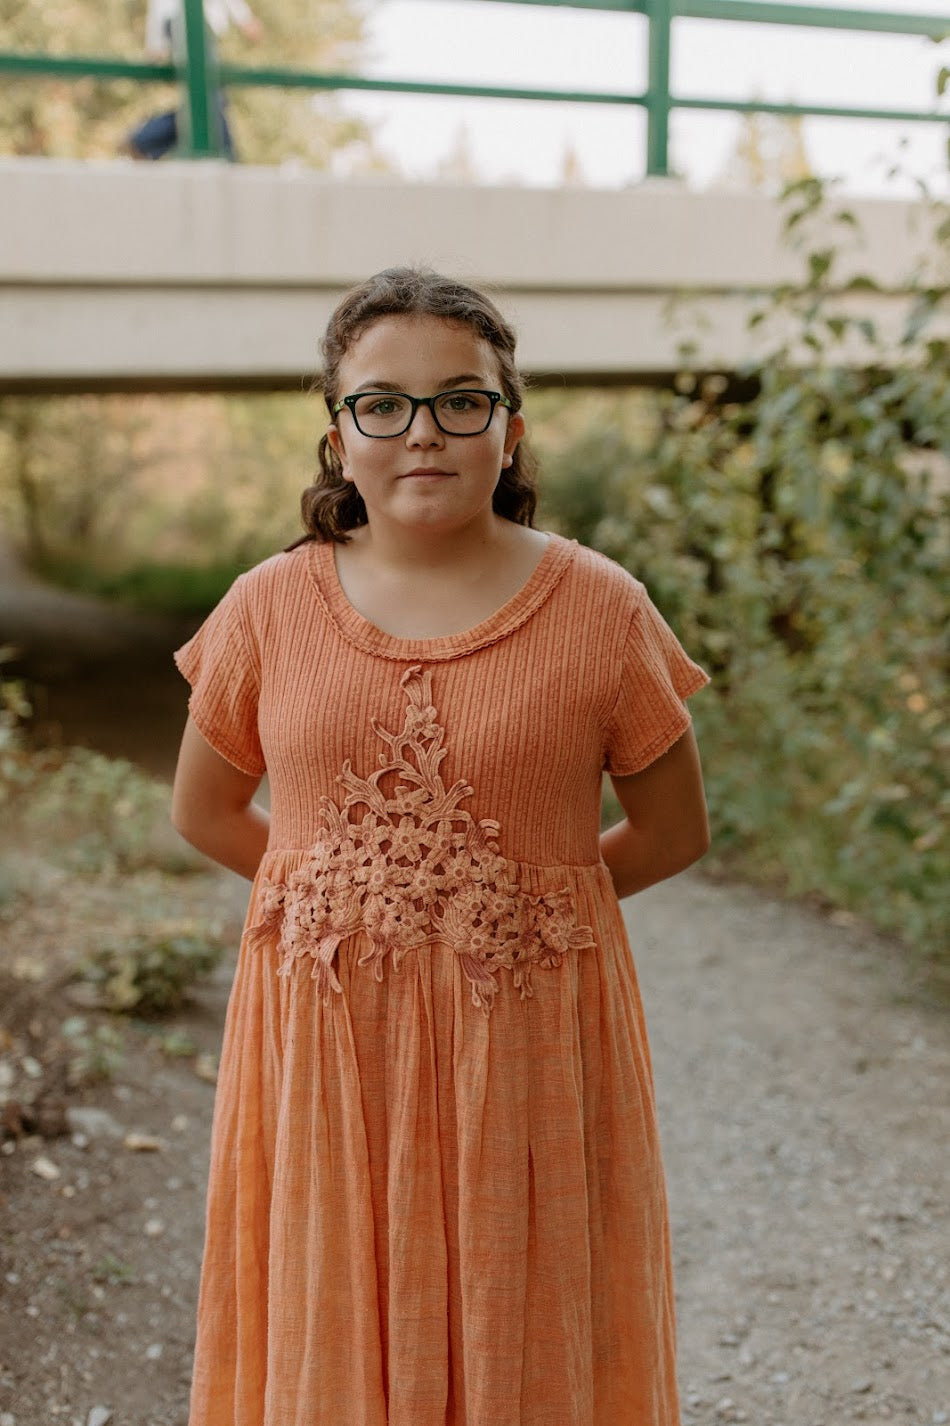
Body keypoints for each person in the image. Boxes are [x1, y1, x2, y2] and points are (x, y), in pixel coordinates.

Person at [171, 267, 711, 1426]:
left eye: (460, 400)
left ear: (508, 427)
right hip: (321, 1041)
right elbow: (207, 812)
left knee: (529, 1319)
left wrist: (507, 909)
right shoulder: (264, 608)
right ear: (337, 434)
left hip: (523, 1031)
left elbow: (673, 829)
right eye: (385, 402)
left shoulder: (603, 608)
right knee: (330, 1321)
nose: (423, 431)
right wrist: (351, 900)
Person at [124, 0, 262, 161]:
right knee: (211, 94)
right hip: (190, 22)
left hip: (192, 24)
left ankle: (145, 139)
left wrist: (156, 43)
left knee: (206, 97)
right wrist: (244, 17)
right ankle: (227, 156)